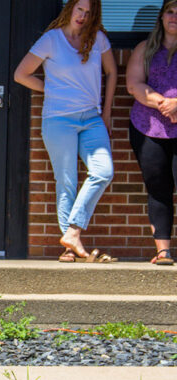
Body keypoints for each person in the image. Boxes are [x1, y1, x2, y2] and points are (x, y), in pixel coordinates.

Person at [14, 0, 117, 263]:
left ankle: (72, 232)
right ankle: (69, 248)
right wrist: (51, 89)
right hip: (58, 120)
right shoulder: (51, 40)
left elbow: (112, 72)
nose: (83, 16)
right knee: (67, 182)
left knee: (103, 171)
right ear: (70, 8)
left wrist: (106, 114)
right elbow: (21, 74)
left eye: (89, 12)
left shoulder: (98, 39)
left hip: (91, 119)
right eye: (79, 9)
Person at [127, 0, 177, 265]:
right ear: (161, 17)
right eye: (170, 11)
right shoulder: (145, 49)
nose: (174, 17)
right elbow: (134, 84)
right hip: (149, 129)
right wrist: (164, 103)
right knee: (158, 188)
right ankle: (163, 251)